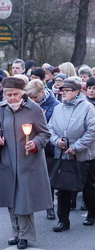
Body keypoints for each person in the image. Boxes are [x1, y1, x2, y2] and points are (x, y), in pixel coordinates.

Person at [0, 76, 52, 249]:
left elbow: (45, 134)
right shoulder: (2, 108)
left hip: (28, 161)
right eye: (8, 95)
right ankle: (16, 232)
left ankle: (25, 235)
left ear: (23, 93)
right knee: (10, 198)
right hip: (8, 159)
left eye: (15, 94)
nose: (11, 98)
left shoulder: (34, 109)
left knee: (24, 200)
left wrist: (35, 143)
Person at [49, 78, 95, 232]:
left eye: (66, 90)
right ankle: (63, 220)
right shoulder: (58, 108)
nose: (63, 93)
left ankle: (92, 214)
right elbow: (50, 129)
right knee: (63, 188)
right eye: (62, 90)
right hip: (63, 154)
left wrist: (75, 147)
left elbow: (92, 131)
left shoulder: (88, 108)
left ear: (76, 92)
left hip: (83, 156)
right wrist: (57, 141)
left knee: (87, 187)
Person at [25, 79, 60, 220]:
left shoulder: (55, 105)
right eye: (30, 98)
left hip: (48, 146)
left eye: (35, 97)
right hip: (31, 144)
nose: (33, 100)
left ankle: (49, 206)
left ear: (42, 92)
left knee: (48, 179)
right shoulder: (28, 105)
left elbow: (53, 127)